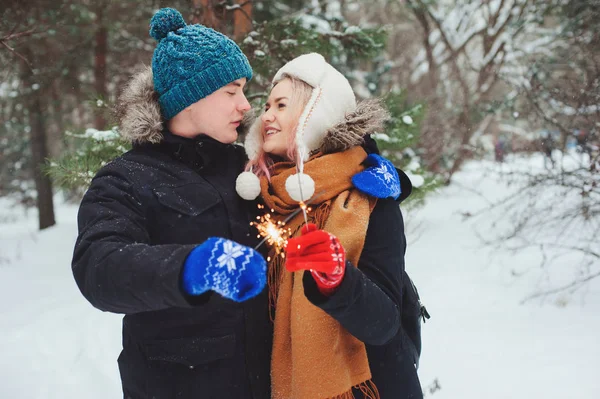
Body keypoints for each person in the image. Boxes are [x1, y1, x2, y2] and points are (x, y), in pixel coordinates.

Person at [72, 8, 272, 399]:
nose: (245, 105)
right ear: (189, 99)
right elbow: (100, 267)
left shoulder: (245, 163)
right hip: (180, 385)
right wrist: (188, 268)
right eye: (231, 91)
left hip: (266, 382)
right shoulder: (126, 177)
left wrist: (376, 165)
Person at [235, 53, 423, 399]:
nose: (267, 116)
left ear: (315, 115)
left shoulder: (369, 200)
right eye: (266, 106)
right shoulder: (261, 195)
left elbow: (384, 324)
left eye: (281, 105)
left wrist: (337, 280)